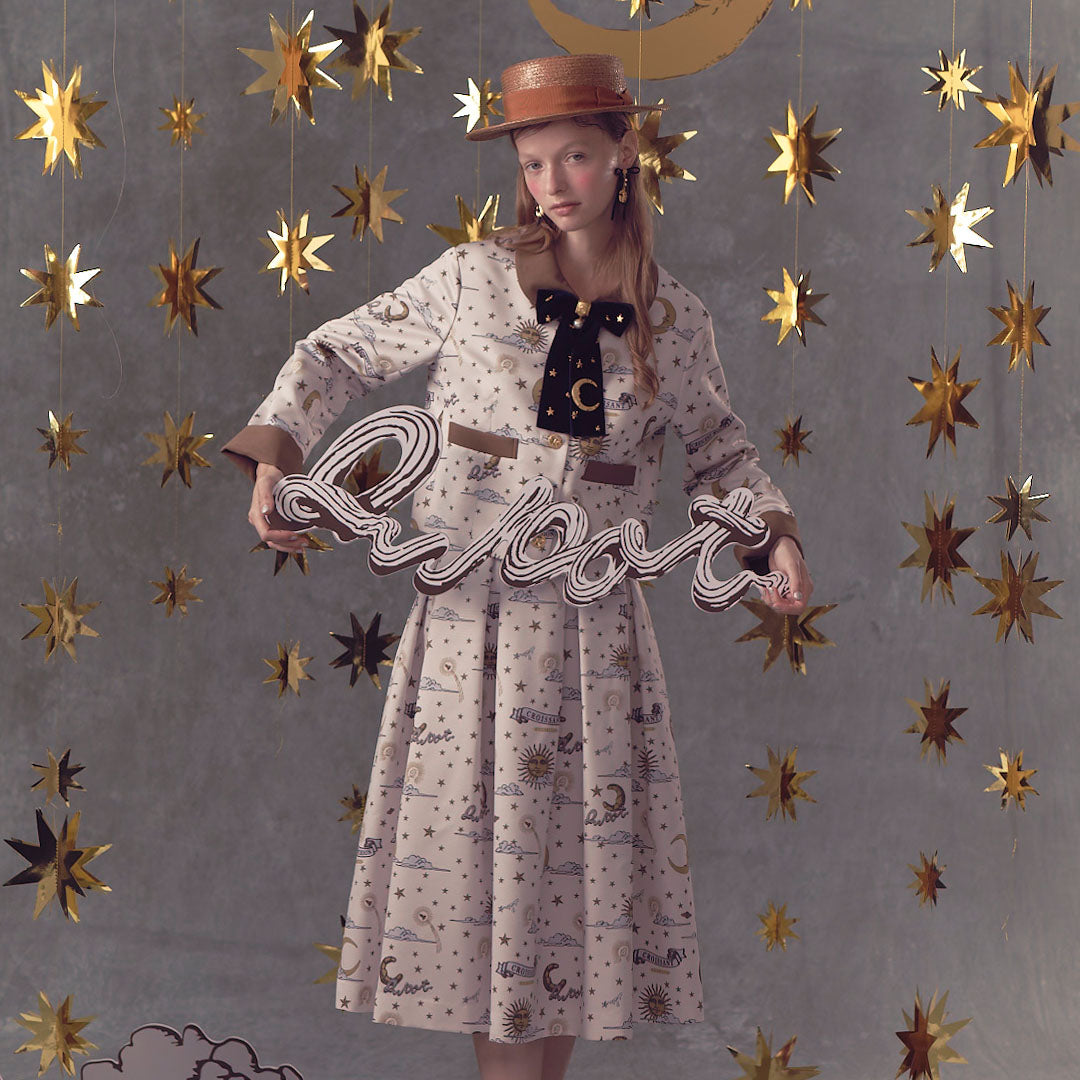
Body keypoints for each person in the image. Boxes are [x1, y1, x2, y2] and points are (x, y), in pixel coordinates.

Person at [223, 52, 812, 1080]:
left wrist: (774, 536)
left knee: (569, 905)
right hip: (473, 632)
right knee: (484, 895)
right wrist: (278, 457)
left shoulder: (674, 320)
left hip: (597, 643)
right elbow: (335, 354)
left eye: (574, 157)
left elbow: (721, 454)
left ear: (622, 155)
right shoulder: (470, 277)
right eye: (534, 164)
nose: (552, 185)